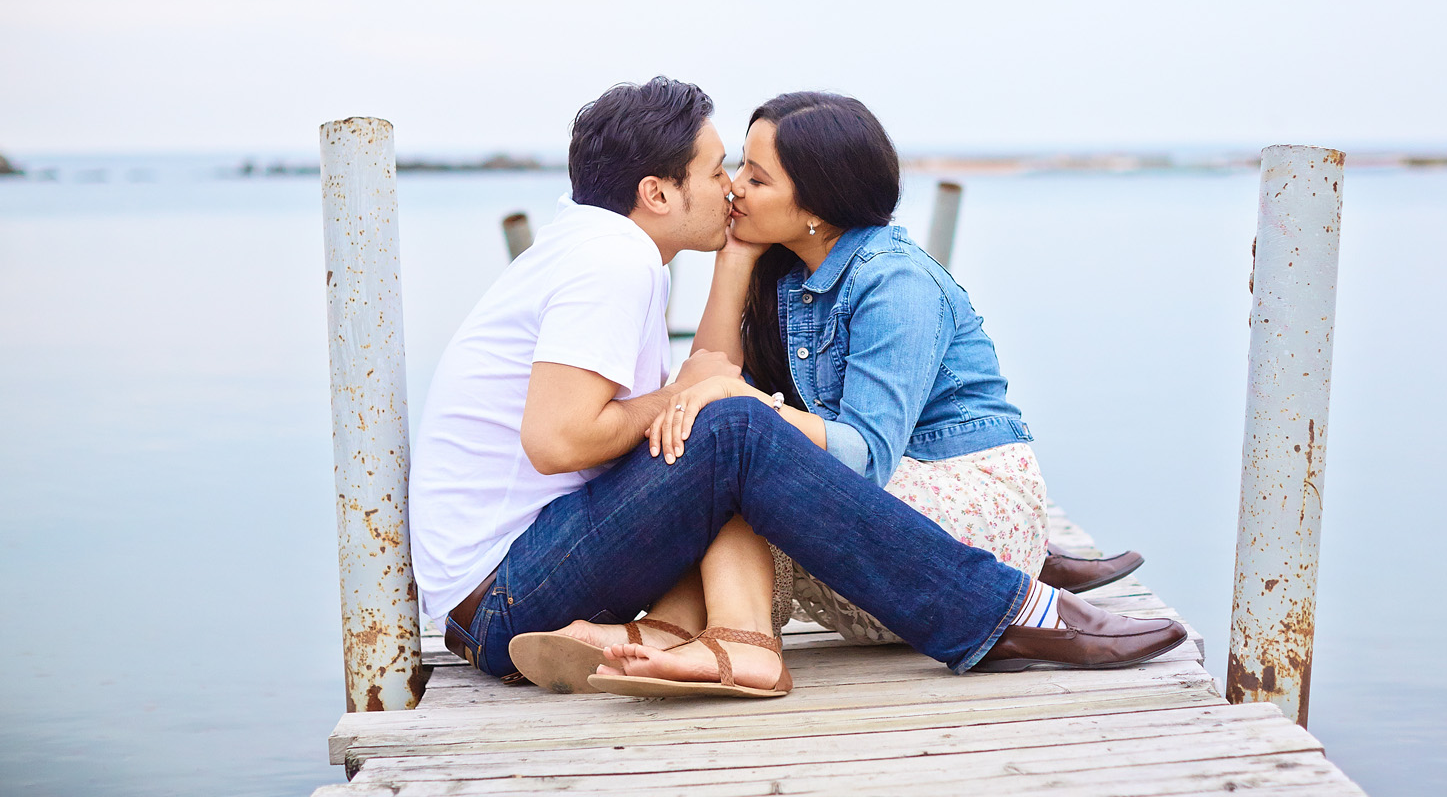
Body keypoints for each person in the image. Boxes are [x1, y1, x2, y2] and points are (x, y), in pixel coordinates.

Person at [411, 77, 1187, 699]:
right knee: (732, 431)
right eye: (720, 170)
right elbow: (563, 440)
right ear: (657, 193)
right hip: (511, 588)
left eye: (747, 171)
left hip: (504, 585)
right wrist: (706, 395)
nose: (732, 188)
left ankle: (705, 641)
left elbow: (712, 402)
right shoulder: (612, 260)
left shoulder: (607, 250)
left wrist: (714, 390)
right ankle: (1003, 614)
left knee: (732, 431)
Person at [638, 91, 1138, 647]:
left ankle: (700, 637)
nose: (733, 186)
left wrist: (748, 407)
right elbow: (707, 379)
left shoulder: (894, 282)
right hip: (877, 538)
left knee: (732, 460)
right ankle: (674, 633)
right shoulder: (786, 278)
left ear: (817, 206)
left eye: (756, 179)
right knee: (710, 463)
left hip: (967, 521)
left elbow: (865, 457)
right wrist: (732, 262)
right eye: (738, 169)